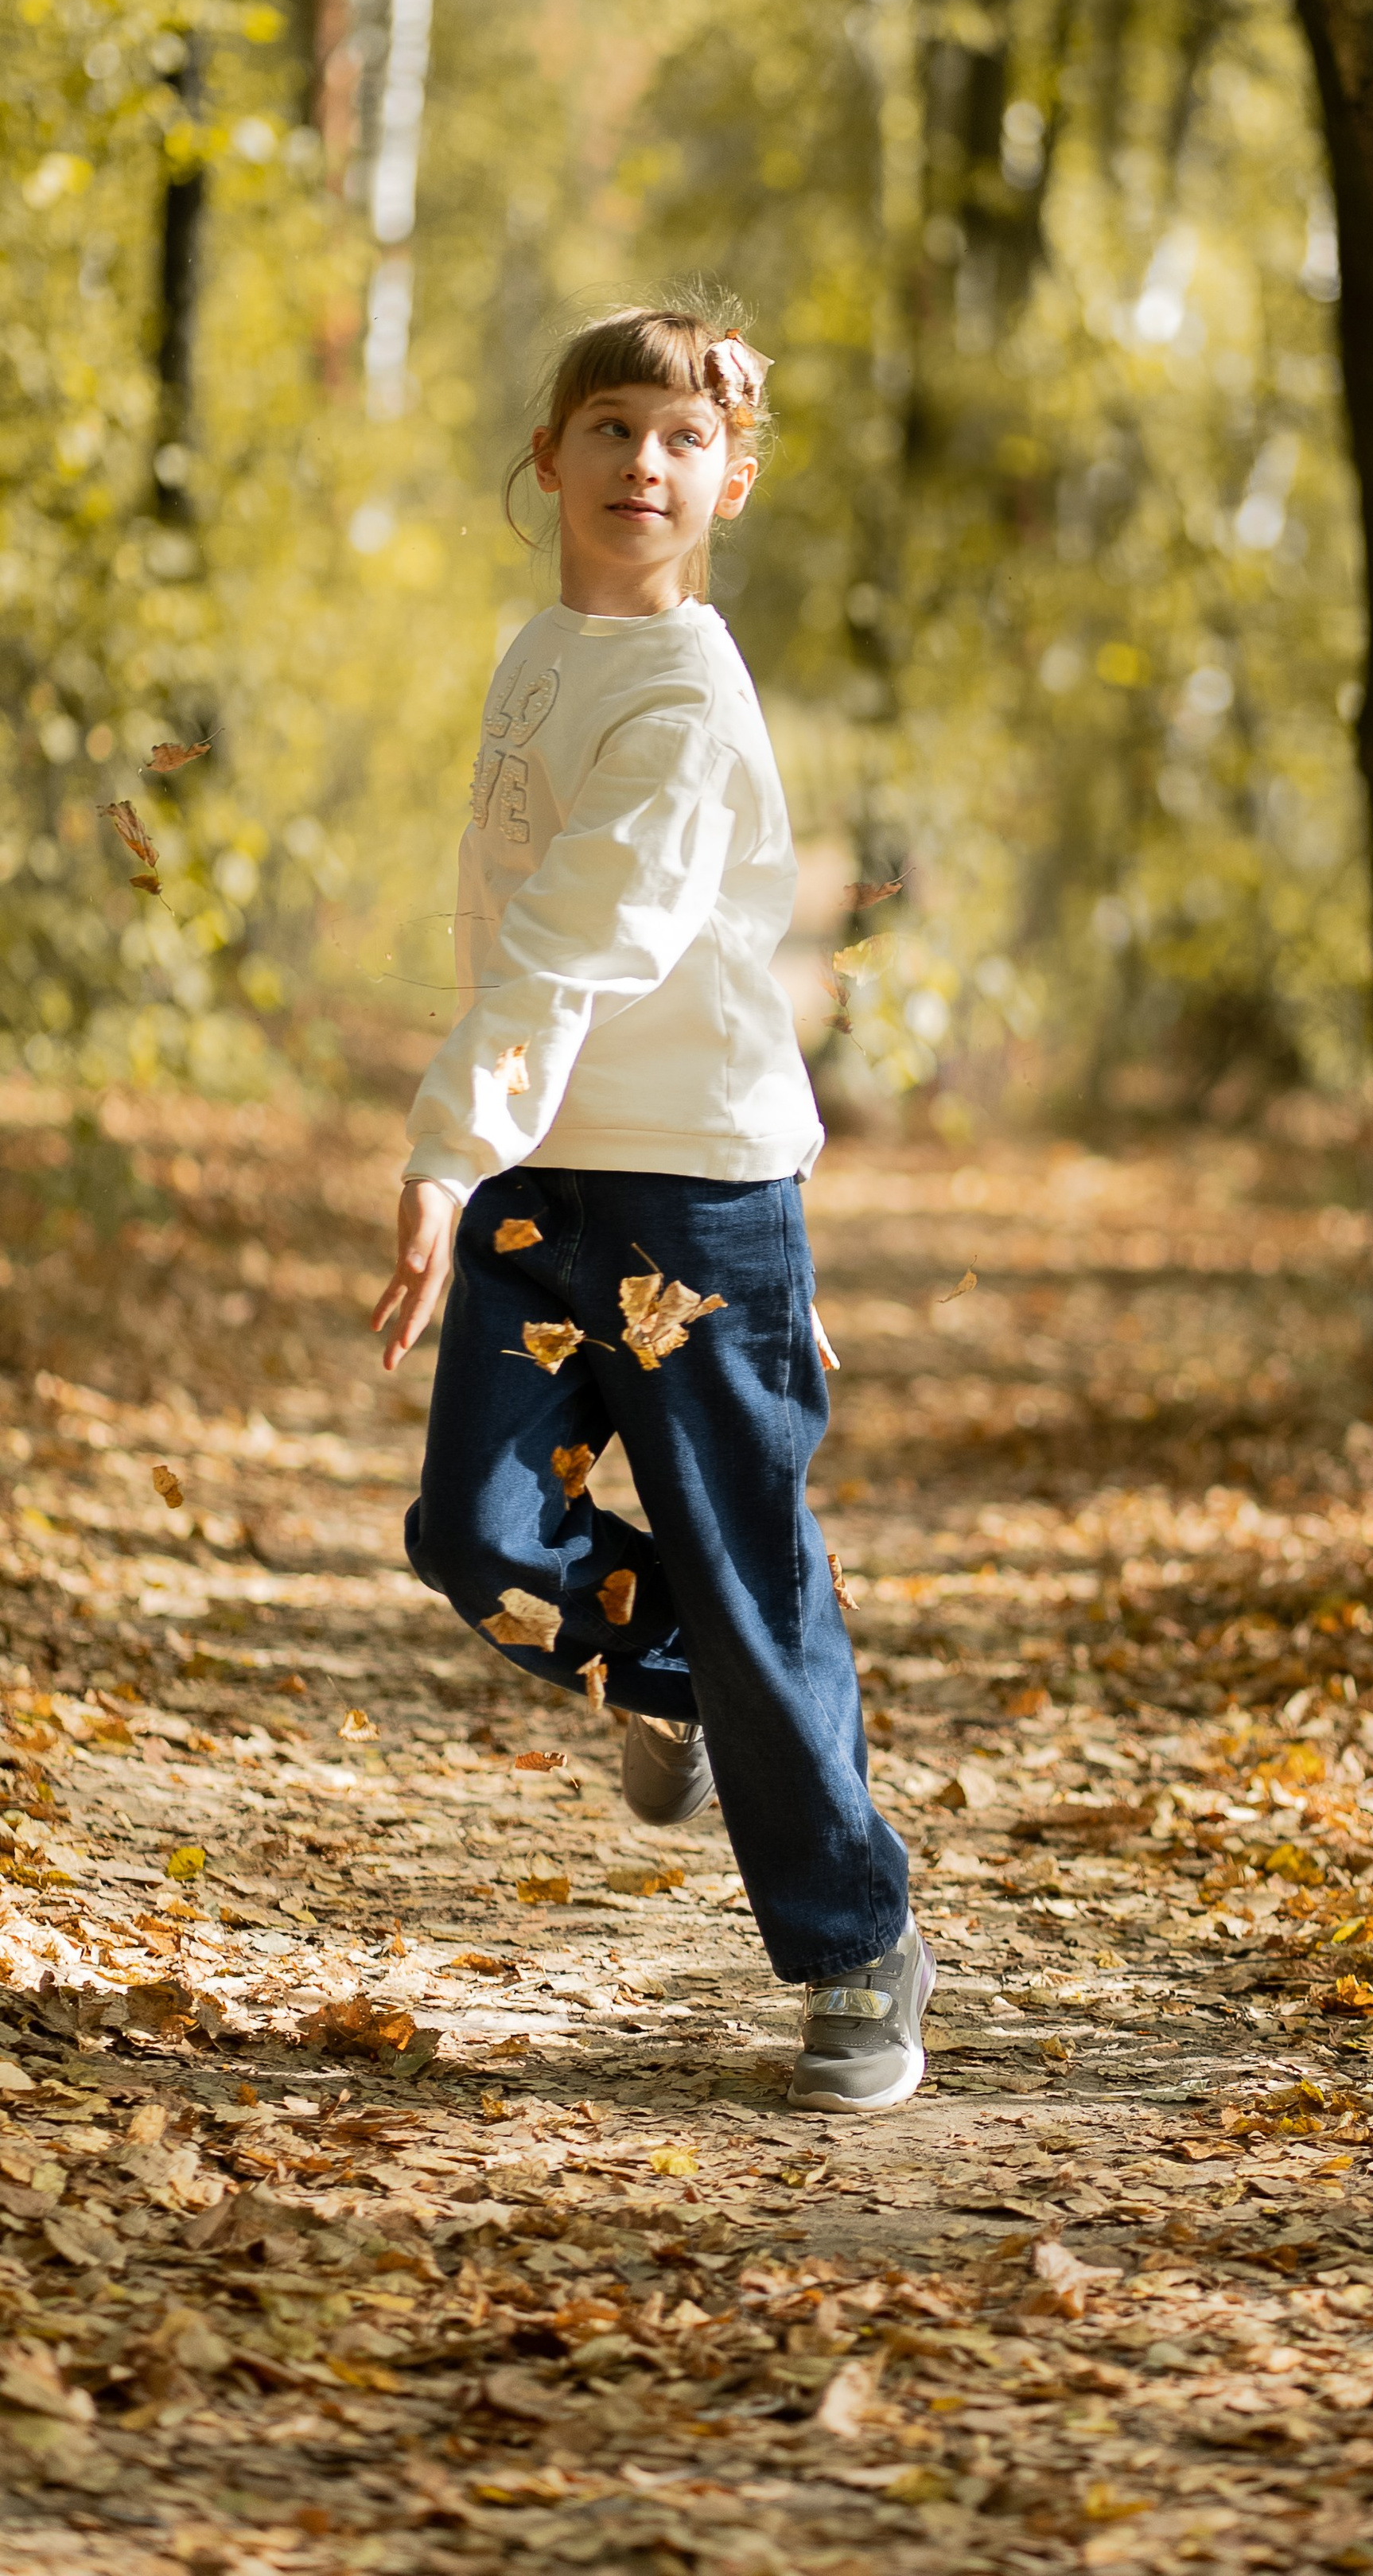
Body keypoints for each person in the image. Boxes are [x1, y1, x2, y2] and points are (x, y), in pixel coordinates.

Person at [369, 300, 930, 2114]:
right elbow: (505, 926)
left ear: (730, 482)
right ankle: (676, 1677)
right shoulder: (538, 653)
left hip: (694, 1201)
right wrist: (494, 1152)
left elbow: (578, 939)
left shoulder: (687, 696)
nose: (641, 464)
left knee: (755, 1577)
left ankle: (855, 1949)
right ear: (549, 459)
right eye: (608, 428)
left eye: (682, 439)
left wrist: (445, 1140)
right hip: (550, 1182)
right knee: (474, 1536)